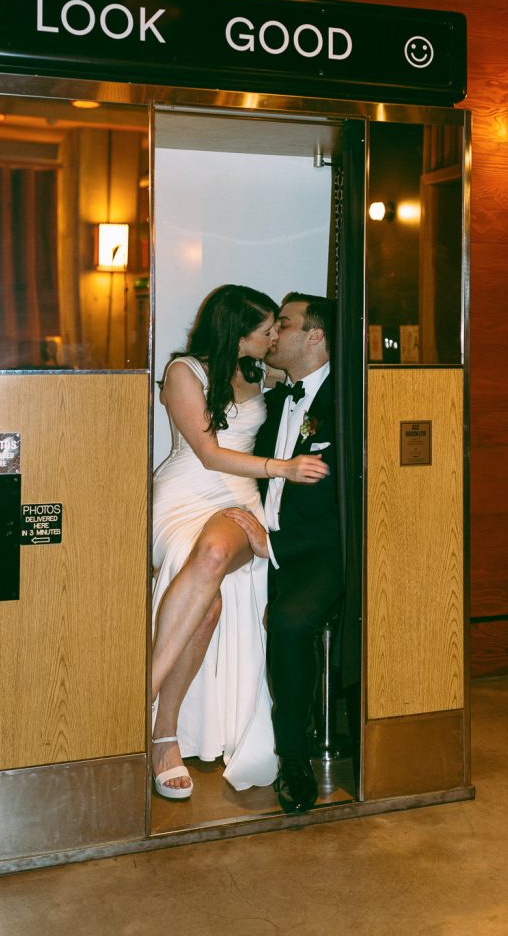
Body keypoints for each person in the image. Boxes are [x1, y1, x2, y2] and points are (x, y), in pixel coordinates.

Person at [151, 284, 329, 800]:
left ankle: (137, 703)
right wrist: (284, 468)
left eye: (279, 326)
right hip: (186, 496)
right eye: (266, 328)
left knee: (211, 561)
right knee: (204, 600)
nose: (274, 336)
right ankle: (163, 732)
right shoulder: (186, 372)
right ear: (238, 331)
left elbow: (310, 381)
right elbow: (207, 453)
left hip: (239, 503)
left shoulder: (264, 373)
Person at [224, 293, 343, 815]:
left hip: (319, 550)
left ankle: (293, 757)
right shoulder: (274, 397)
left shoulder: (349, 402)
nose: (274, 337)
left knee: (292, 623)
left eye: (285, 326)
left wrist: (275, 545)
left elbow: (350, 509)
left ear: (314, 337)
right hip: (264, 537)